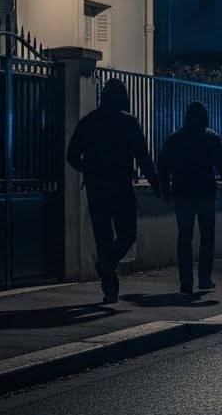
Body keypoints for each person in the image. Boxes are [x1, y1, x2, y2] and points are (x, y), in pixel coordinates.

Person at [66, 78, 160, 304]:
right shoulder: (129, 123)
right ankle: (107, 268)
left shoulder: (88, 122)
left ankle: (109, 285)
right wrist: (156, 183)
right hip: (121, 186)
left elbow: (71, 156)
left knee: (103, 239)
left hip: (96, 187)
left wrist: (87, 168)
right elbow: (143, 158)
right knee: (127, 233)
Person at [158, 101, 222, 294]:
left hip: (182, 193)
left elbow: (163, 165)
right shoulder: (212, 138)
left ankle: (186, 281)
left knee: (184, 236)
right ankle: (204, 279)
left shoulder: (175, 139)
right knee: (207, 236)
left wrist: (166, 190)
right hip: (205, 193)